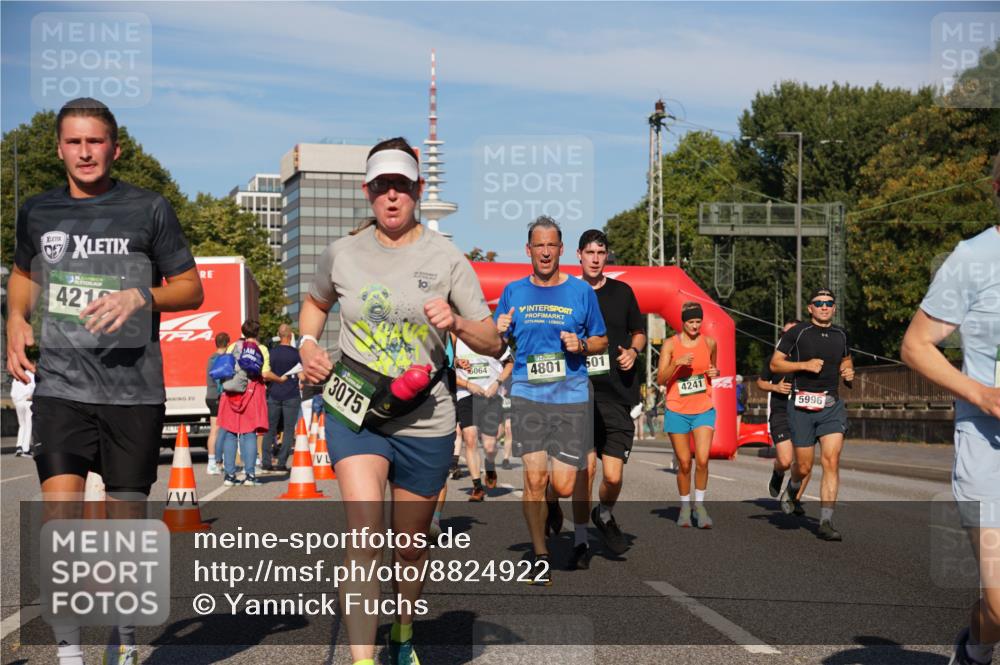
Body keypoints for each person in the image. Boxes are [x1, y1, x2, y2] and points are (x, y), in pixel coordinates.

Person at [4, 97, 203, 665]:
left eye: (95, 141)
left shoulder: (149, 208)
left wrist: (141, 295)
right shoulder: (38, 211)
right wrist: (15, 318)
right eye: (74, 141)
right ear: (59, 148)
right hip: (62, 388)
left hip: (132, 393)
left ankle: (125, 633)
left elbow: (191, 288)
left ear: (115, 148)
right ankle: (70, 655)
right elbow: (23, 274)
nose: (85, 152)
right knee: (60, 522)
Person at [298, 137, 500, 665]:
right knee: (364, 536)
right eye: (382, 186)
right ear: (367, 191)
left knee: (409, 546)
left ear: (419, 189)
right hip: (356, 410)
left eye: (402, 186)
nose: (392, 196)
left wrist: (457, 323)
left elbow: (492, 340)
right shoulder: (342, 253)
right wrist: (308, 345)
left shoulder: (447, 258)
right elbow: (315, 303)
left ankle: (404, 630)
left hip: (425, 416)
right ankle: (364, 659)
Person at [901, 152, 999, 665]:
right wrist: (982, 395)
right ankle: (976, 650)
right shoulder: (973, 258)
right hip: (987, 446)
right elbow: (916, 345)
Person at [495, 216, 608, 580]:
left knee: (562, 484)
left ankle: (553, 502)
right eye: (539, 245)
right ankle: (540, 553)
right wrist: (497, 331)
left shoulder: (581, 292)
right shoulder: (513, 292)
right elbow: (494, 343)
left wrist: (582, 344)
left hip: (570, 395)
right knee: (533, 477)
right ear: (528, 250)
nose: (545, 252)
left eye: (551, 245)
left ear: (561, 250)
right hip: (528, 393)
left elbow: (601, 340)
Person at [572, 229, 646, 564]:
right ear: (579, 255)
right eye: (590, 252)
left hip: (617, 393)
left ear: (606, 256)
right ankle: (580, 541)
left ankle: (603, 512)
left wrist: (633, 351)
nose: (595, 259)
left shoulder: (622, 292)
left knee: (613, 476)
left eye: (601, 253)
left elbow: (638, 332)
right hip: (579, 392)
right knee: (586, 470)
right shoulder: (569, 292)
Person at [769, 288, 854, 541]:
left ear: (834, 308)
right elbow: (775, 363)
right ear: (810, 308)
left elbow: (846, 359)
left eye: (828, 303)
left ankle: (826, 521)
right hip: (801, 407)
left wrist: (848, 371)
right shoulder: (798, 332)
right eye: (819, 303)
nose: (824, 306)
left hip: (831, 406)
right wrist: (804, 365)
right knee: (804, 467)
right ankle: (793, 487)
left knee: (831, 461)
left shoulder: (841, 334)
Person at [657, 301, 719, 529]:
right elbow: (661, 379)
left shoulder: (709, 343)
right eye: (691, 322)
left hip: (703, 408)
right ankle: (685, 508)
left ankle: (699, 507)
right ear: (683, 322)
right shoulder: (670, 344)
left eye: (698, 322)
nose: (695, 326)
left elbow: (713, 370)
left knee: (702, 460)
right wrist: (676, 363)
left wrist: (715, 372)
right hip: (677, 409)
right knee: (684, 463)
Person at [760, 320, 810, 510]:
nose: (786, 338)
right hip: (781, 412)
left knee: (804, 462)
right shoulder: (774, 360)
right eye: (783, 334)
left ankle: (794, 498)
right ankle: (778, 471)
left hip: (804, 413)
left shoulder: (809, 359)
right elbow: (760, 382)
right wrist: (775, 387)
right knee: (785, 460)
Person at [453, 335, 512, 501]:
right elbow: (447, 367)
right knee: (470, 439)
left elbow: (510, 363)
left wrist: (497, 383)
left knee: (489, 447)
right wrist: (467, 384)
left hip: (491, 395)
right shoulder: (455, 339)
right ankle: (477, 487)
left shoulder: (491, 335)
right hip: (466, 395)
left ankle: (490, 464)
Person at [218, 319, 271, 486]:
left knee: (230, 433)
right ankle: (250, 475)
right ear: (258, 332)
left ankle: (229, 475)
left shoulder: (233, 347)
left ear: (243, 331)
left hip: (232, 393)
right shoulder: (262, 349)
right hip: (251, 394)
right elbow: (265, 374)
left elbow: (226, 367)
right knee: (249, 434)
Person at [262, 323, 301, 473]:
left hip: (274, 394)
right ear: (290, 336)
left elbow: (266, 374)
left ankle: (266, 462)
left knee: (270, 429)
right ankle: (281, 463)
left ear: (279, 336)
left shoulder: (271, 353)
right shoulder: (296, 354)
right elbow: (302, 375)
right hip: (291, 395)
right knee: (289, 430)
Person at [204, 332, 230, 475]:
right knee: (218, 430)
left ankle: (212, 462)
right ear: (227, 343)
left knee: (214, 430)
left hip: (210, 396)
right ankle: (216, 462)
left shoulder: (211, 358)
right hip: (219, 397)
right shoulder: (224, 359)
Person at [11, 368, 35, 457]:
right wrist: (30, 396)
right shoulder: (31, 375)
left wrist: (16, 402)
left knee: (22, 425)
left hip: (18, 402)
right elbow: (33, 387)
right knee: (28, 425)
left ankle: (19, 447)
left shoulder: (16, 377)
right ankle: (26, 449)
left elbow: (13, 393)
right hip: (28, 401)